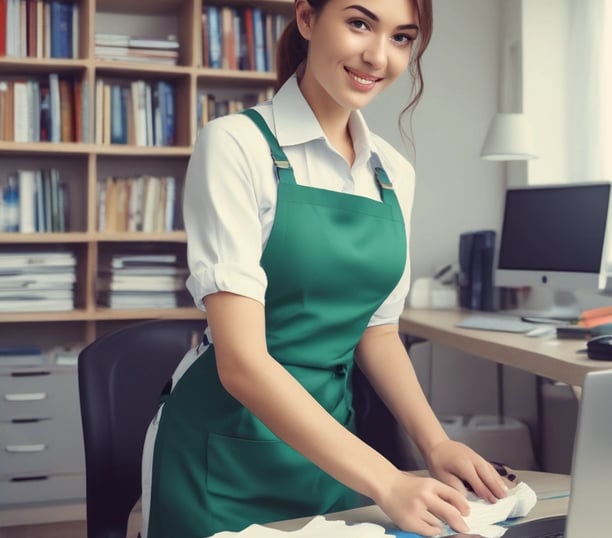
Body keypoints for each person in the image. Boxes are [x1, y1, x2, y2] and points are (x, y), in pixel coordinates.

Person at [141, 1, 509, 536]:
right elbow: (241, 363)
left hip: (332, 453)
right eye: (359, 23)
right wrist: (387, 480)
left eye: (402, 37)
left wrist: (435, 443)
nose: (378, 55)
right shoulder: (236, 145)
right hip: (219, 457)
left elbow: (377, 331)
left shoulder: (392, 172)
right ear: (308, 20)